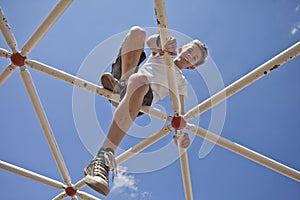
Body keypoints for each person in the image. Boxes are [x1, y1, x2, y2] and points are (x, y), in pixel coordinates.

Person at [83, 26, 208, 196]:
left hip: (141, 97)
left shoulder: (181, 82)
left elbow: (178, 110)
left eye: (194, 58)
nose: (189, 56)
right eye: (189, 51)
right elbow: (150, 41)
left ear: (192, 66)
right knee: (137, 32)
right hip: (125, 77)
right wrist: (162, 43)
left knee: (140, 81)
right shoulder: (162, 54)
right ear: (181, 49)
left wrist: (180, 134)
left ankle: (103, 157)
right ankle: (121, 86)